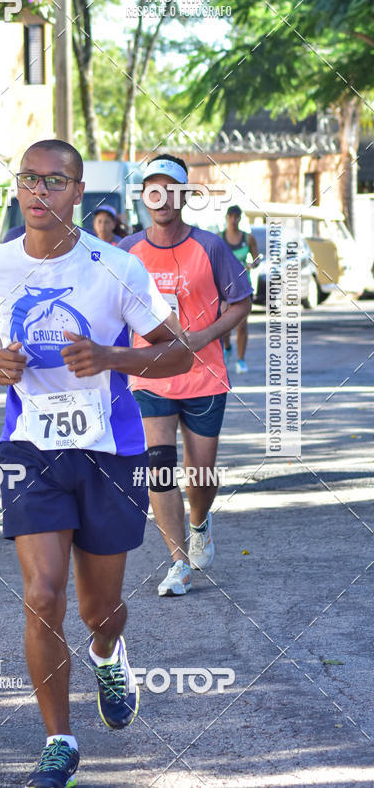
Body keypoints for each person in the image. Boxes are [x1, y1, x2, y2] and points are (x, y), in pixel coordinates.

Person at [0, 139, 192, 788]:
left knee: (101, 607)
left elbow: (176, 354)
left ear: (78, 190)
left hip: (110, 451)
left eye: (55, 181)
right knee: (42, 594)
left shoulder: (114, 267)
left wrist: (110, 357)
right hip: (30, 447)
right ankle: (59, 740)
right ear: (18, 186)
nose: (40, 192)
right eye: (29, 178)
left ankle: (106, 650)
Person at [119, 155, 252, 598]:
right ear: (144, 197)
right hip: (150, 375)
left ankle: (200, 523)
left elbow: (240, 302)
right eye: (152, 188)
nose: (161, 198)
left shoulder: (211, 247)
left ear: (183, 196)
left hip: (204, 376)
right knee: (158, 468)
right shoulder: (127, 252)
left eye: (170, 189)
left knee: (201, 474)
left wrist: (203, 336)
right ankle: (178, 561)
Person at [221, 204, 260, 373]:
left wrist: (252, 263)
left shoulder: (248, 238)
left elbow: (257, 258)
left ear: (240, 218)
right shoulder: (219, 238)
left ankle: (241, 360)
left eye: (237, 217)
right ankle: (227, 347)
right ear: (227, 218)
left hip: (243, 287)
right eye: (231, 217)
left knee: (242, 325)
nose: (234, 220)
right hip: (224, 287)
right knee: (224, 325)